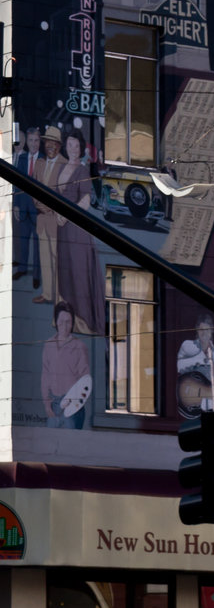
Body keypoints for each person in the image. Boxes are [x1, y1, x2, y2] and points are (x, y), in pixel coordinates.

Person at [55, 133, 105, 336]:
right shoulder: (61, 167)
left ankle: (85, 320)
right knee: (65, 272)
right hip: (62, 228)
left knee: (79, 272)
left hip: (76, 229)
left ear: (81, 148)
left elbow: (85, 201)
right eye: (69, 144)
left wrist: (66, 216)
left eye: (76, 145)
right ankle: (68, 318)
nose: (72, 148)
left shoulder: (83, 170)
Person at [41, 302, 91, 428]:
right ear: (56, 321)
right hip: (54, 405)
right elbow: (45, 375)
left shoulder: (79, 347)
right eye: (61, 321)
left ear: (72, 323)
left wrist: (72, 402)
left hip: (72, 406)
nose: (64, 325)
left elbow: (85, 379)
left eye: (68, 321)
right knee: (51, 444)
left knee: (70, 444)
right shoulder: (49, 345)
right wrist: (47, 404)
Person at [33, 125, 67, 306]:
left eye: (53, 143)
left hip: (55, 219)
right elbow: (33, 188)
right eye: (47, 143)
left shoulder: (64, 165)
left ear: (59, 145)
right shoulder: (39, 163)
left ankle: (59, 297)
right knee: (44, 258)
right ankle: (47, 294)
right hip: (42, 218)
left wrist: (51, 209)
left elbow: (65, 193)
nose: (50, 146)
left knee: (57, 259)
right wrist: (40, 205)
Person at [12, 125, 42, 289]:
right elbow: (17, 183)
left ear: (39, 141)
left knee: (37, 244)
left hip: (38, 211)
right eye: (30, 140)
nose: (33, 143)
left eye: (36, 140)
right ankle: (22, 268)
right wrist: (16, 205)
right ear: (27, 142)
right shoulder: (22, 159)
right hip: (23, 207)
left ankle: (36, 276)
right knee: (23, 240)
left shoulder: (43, 160)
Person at [177, 313, 214, 414]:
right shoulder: (188, 345)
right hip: (187, 389)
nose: (204, 333)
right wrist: (201, 361)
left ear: (211, 331)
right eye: (201, 330)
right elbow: (179, 366)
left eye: (207, 330)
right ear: (197, 330)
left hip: (202, 398)